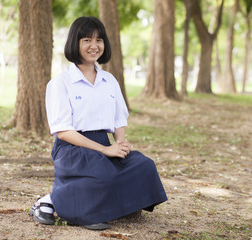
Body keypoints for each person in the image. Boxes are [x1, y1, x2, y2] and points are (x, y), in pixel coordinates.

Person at [29, 16, 168, 230]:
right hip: (72, 149)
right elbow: (64, 131)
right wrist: (105, 150)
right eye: (87, 40)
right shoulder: (60, 83)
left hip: (105, 145)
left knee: (143, 166)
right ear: (75, 43)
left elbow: (119, 120)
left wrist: (119, 146)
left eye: (99, 40)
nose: (94, 46)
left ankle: (100, 205)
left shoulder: (109, 80)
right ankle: (50, 201)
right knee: (105, 176)